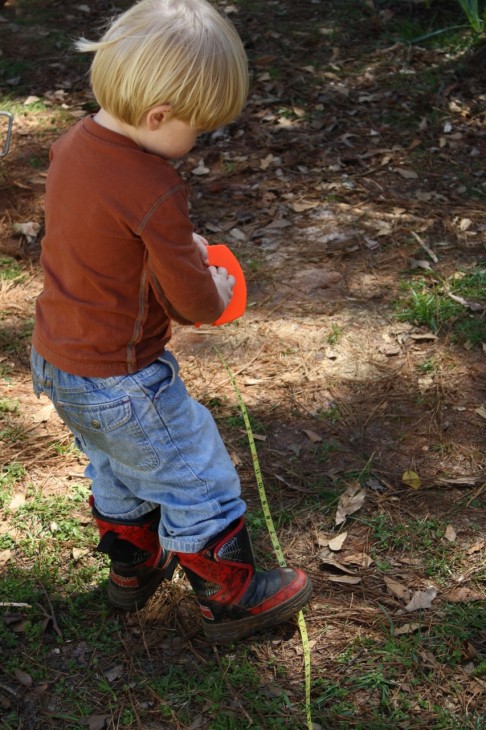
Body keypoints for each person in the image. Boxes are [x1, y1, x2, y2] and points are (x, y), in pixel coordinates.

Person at [30, 0, 312, 644]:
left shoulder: (73, 144)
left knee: (114, 463)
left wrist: (172, 245)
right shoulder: (151, 183)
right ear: (158, 116)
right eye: (197, 129)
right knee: (194, 471)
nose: (196, 142)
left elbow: (104, 236)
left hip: (59, 359)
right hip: (122, 376)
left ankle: (133, 564)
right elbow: (193, 304)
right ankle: (232, 596)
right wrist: (213, 287)